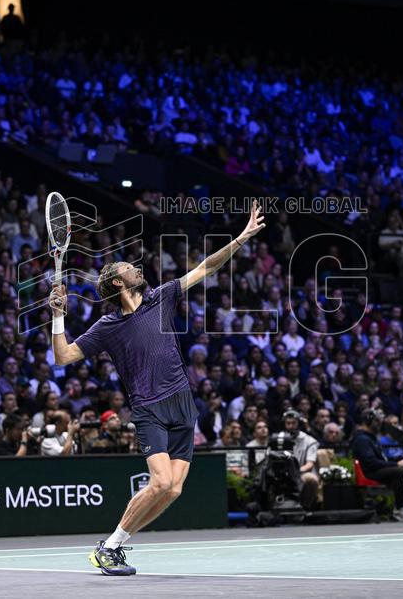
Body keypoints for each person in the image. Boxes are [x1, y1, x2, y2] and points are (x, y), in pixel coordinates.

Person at [51, 200, 265, 575]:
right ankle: (109, 545)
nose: (137, 268)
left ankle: (116, 547)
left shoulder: (161, 297)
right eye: (129, 268)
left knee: (174, 489)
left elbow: (205, 267)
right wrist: (56, 317)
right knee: (161, 481)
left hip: (183, 402)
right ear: (118, 282)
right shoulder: (107, 326)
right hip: (149, 407)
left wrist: (241, 238)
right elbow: (64, 357)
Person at [351, 409, 403, 521]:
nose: (380, 425)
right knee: (397, 471)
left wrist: (397, 460)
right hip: (370, 472)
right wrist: (395, 464)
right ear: (369, 421)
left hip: (375, 469)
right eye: (377, 421)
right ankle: (398, 509)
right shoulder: (362, 439)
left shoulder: (371, 437)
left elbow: (380, 459)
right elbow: (371, 462)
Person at [281, 410, 319, 509]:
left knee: (312, 478)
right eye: (288, 423)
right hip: (281, 474)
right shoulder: (278, 439)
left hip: (300, 473)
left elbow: (310, 464)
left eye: (293, 423)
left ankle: (305, 507)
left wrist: (295, 471)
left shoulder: (309, 441)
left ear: (299, 424)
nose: (290, 426)